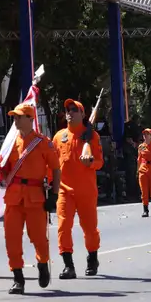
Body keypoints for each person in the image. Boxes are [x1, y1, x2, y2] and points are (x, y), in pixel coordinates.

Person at [1, 104, 61, 293]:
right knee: (11, 238)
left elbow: (55, 168)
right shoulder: (10, 143)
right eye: (14, 117)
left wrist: (54, 194)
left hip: (35, 196)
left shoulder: (43, 143)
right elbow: (2, 169)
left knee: (38, 238)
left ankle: (42, 263)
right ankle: (18, 278)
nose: (16, 120)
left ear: (30, 118)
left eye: (19, 117)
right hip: (13, 196)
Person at [53, 99, 104, 279]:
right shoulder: (59, 137)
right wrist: (48, 183)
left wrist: (90, 163)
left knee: (89, 228)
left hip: (86, 191)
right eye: (68, 109)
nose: (70, 112)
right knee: (63, 226)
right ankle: (69, 265)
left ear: (82, 114)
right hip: (64, 190)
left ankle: (92, 258)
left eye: (74, 109)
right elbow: (54, 165)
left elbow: (99, 162)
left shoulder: (92, 137)